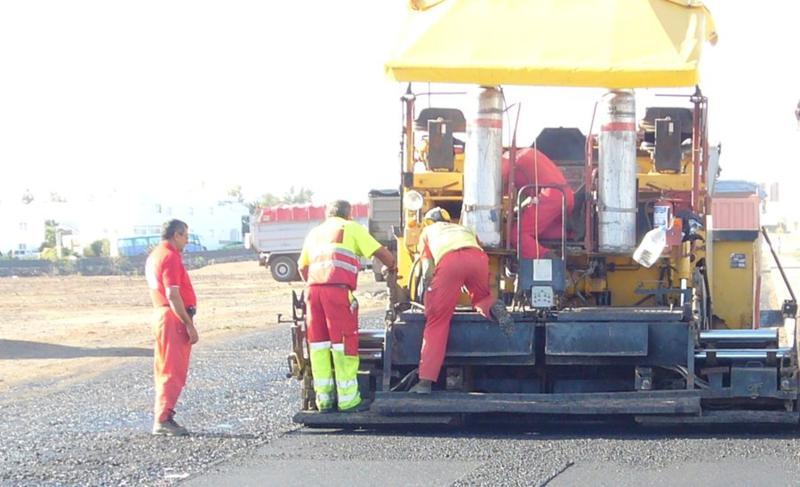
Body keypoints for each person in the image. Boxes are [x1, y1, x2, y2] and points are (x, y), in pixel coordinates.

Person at [298, 200, 396, 412]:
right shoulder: (350, 227)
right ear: (348, 214)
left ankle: (323, 401)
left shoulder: (314, 232)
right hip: (337, 291)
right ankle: (348, 400)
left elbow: (302, 266)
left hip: (312, 292)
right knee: (343, 344)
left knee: (319, 345)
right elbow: (380, 252)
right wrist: (394, 266)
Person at [409, 207, 514, 394]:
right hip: (478, 258)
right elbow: (477, 247)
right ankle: (493, 306)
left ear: (428, 221)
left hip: (449, 262)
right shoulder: (464, 229)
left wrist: (428, 296)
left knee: (437, 321)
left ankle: (425, 382)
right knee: (481, 298)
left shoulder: (428, 231)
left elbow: (427, 270)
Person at [145, 219, 199, 436]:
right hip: (172, 317)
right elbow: (173, 294)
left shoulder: (155, 255)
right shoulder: (169, 257)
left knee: (165, 367)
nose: (186, 240)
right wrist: (188, 323)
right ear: (176, 235)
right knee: (173, 369)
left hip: (162, 314)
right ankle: (163, 418)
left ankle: (163, 414)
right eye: (185, 236)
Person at [502, 147, 575, 258]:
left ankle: (547, 259)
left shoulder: (507, 160)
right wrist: (520, 207)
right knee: (545, 233)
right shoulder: (527, 152)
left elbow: (497, 186)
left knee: (518, 234)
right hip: (567, 195)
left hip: (550, 196)